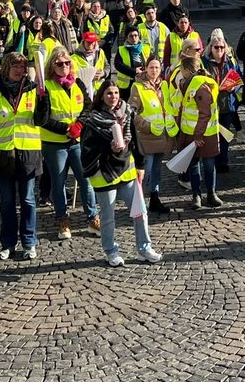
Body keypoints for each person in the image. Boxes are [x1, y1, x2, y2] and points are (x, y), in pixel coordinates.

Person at [80, 80, 162, 266]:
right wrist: (108, 148)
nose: (113, 96)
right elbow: (87, 149)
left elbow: (135, 141)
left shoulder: (126, 114)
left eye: (116, 93)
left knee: (140, 212)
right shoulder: (93, 120)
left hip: (126, 170)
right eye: (109, 93)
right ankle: (111, 251)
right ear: (102, 96)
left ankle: (144, 248)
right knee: (108, 217)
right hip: (104, 173)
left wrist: (140, 164)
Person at [0, 53, 43, 261]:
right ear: (7, 67)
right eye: (16, 66)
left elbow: (41, 119)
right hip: (3, 153)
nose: (20, 70)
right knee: (6, 202)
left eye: (23, 66)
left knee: (28, 200)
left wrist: (44, 100)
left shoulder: (34, 90)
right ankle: (8, 244)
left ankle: (29, 242)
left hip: (28, 152)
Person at [35, 47, 100, 240]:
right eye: (60, 63)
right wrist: (65, 129)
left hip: (78, 141)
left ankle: (92, 217)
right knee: (59, 182)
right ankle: (63, 219)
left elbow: (88, 106)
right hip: (55, 143)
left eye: (67, 63)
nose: (64, 66)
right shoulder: (46, 87)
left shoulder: (77, 83)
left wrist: (79, 124)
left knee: (85, 179)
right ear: (52, 65)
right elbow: (43, 119)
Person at [174, 53, 222, 209]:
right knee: (195, 165)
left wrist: (197, 135)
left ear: (188, 70)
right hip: (193, 133)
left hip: (202, 134)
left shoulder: (199, 86)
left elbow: (204, 113)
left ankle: (210, 194)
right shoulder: (191, 84)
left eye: (181, 70)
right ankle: (197, 195)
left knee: (207, 165)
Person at [130, 57, 176, 214]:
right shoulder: (138, 87)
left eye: (157, 67)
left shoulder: (164, 85)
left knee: (156, 170)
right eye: (151, 67)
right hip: (147, 137)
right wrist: (145, 126)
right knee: (146, 171)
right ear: (146, 68)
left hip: (162, 135)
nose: (154, 70)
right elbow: (132, 112)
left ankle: (155, 199)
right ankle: (139, 202)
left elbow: (168, 106)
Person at [202, 31, 242, 173]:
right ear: (210, 48)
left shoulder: (231, 61)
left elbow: (239, 79)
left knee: (224, 135)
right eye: (216, 47)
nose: (219, 50)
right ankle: (211, 159)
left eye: (221, 47)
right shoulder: (204, 62)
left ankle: (222, 161)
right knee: (211, 135)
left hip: (227, 105)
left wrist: (234, 88)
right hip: (210, 105)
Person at [113, 26, 146, 102]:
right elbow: (118, 65)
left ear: (139, 37)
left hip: (142, 82)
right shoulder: (121, 49)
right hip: (126, 86)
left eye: (135, 35)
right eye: (131, 36)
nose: (134, 38)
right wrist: (134, 71)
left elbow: (150, 63)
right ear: (127, 38)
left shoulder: (146, 48)